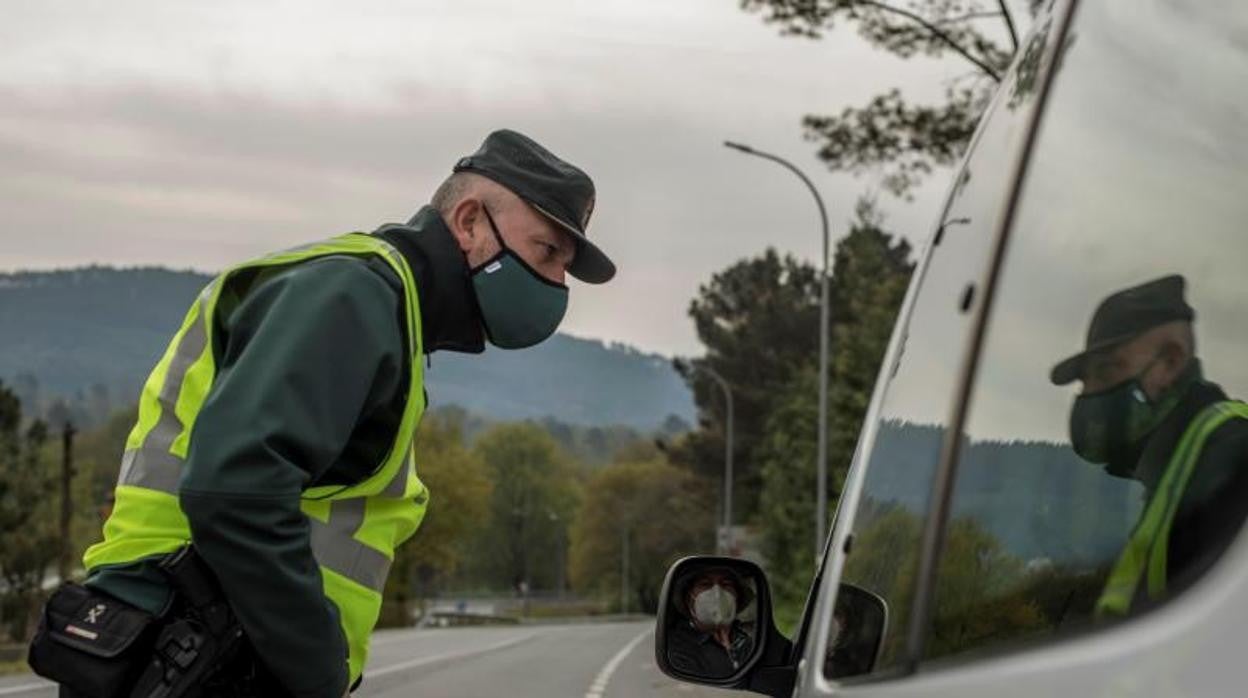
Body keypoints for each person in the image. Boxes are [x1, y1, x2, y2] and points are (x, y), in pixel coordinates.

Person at [74, 129, 616, 696]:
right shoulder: (353, 297)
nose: (556, 283)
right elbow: (236, 491)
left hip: (198, 640)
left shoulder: (391, 311)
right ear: (470, 222)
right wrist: (317, 671)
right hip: (181, 645)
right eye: (548, 252)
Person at [1050, 274, 1248, 617]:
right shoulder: (1179, 466)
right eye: (1086, 381)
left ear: (1170, 362)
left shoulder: (1228, 460)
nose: (1090, 394)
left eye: (1106, 370)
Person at [666, 567, 756, 677]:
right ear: (689, 600)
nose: (717, 594)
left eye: (726, 584)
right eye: (705, 584)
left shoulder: (751, 639)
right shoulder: (676, 648)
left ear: (737, 597)